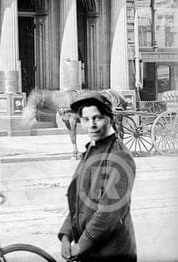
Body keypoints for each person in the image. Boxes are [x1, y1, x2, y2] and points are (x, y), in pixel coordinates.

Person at [58, 92, 137, 262]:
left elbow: (111, 212)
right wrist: (66, 235)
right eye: (86, 120)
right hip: (91, 250)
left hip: (111, 252)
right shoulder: (91, 151)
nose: (91, 125)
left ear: (109, 118)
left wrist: (81, 244)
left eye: (97, 118)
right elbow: (80, 201)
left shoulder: (119, 156)